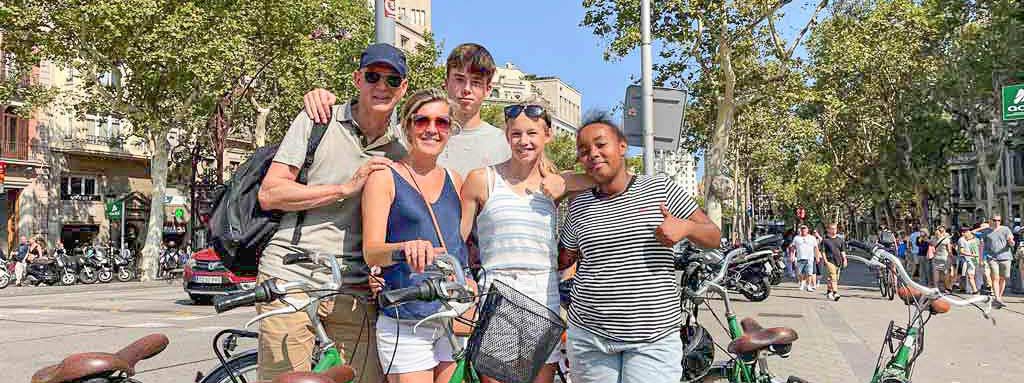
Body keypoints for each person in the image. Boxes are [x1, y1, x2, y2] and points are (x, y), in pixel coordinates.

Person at [255, 43, 410, 381]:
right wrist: (343, 189)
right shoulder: (318, 121)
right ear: (357, 79)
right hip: (291, 275)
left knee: (365, 377)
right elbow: (270, 193)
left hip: (353, 287)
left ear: (403, 88)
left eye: (392, 79)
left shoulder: (401, 149)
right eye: (373, 77)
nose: (382, 86)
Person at [557, 115, 721, 383]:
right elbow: (564, 258)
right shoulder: (579, 205)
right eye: (584, 151)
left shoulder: (660, 188)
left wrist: (686, 229)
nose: (593, 154)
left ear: (622, 146)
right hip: (589, 337)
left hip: (652, 339)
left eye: (601, 145)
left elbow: (714, 235)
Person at [459, 98, 593, 383]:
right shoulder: (482, 179)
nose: (523, 141)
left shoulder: (555, 182)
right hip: (497, 291)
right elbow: (458, 239)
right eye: (516, 134)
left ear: (548, 135)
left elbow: (606, 178)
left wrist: (564, 180)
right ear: (507, 136)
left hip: (543, 293)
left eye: (532, 133)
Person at [362, 89, 469, 383]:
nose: (432, 130)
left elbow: (458, 246)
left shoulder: (455, 180)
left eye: (442, 123)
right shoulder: (385, 177)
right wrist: (403, 248)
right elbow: (371, 251)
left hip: (451, 317)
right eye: (422, 121)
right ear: (408, 126)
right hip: (406, 318)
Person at [304, 43, 511, 177]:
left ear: (488, 89)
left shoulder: (505, 144)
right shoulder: (403, 137)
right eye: (459, 79)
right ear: (445, 83)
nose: (466, 89)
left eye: (475, 82)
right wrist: (320, 98)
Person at [973, 215, 1015, 308]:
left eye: (999, 220)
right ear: (991, 221)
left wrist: (1011, 242)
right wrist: (983, 227)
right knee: (995, 278)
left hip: (1006, 257)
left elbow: (1011, 239)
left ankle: (998, 297)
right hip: (992, 258)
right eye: (994, 220)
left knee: (1004, 278)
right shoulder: (986, 231)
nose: (997, 222)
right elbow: (972, 233)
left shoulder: (1005, 229)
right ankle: (997, 298)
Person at [789, 225, 821, 292]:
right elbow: (793, 247)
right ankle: (802, 283)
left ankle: (808, 286)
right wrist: (792, 255)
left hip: (810, 258)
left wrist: (817, 257)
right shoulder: (796, 238)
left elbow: (816, 248)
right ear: (800, 230)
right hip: (800, 258)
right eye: (802, 229)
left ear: (807, 230)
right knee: (799, 273)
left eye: (805, 229)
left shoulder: (812, 238)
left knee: (809, 273)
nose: (803, 230)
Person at [820, 223, 847, 301]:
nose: (834, 230)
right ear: (828, 230)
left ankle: (829, 292)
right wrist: (825, 261)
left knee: (832, 278)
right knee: (833, 277)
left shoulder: (839, 240)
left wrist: (844, 259)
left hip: (838, 262)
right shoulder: (825, 240)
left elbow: (842, 250)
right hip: (829, 261)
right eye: (832, 229)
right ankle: (835, 293)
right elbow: (823, 252)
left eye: (835, 228)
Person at [928, 226, 952, 292]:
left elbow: (929, 245)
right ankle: (946, 288)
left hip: (936, 258)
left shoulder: (933, 239)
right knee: (945, 274)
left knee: (936, 274)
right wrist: (951, 259)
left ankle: (936, 288)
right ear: (943, 232)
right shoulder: (947, 240)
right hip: (945, 258)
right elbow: (949, 251)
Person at [958, 227, 980, 294]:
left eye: (966, 231)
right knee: (964, 275)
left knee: (971, 275)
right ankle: (974, 290)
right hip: (966, 260)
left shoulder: (975, 239)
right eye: (964, 232)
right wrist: (972, 255)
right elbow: (961, 251)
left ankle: (975, 290)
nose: (964, 233)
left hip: (973, 260)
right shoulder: (961, 239)